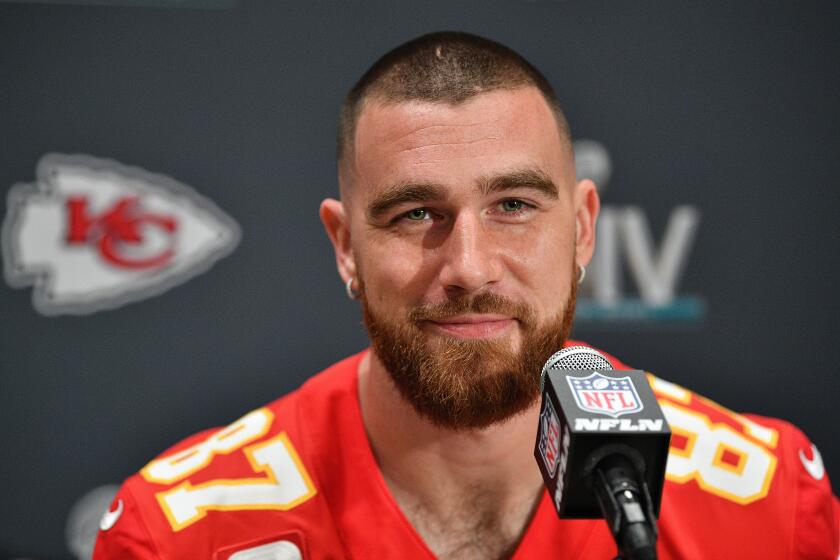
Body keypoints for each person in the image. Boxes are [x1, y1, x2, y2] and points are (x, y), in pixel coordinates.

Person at [93, 31, 838, 559]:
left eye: (513, 205)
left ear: (582, 230)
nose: (470, 268)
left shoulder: (768, 510)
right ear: (345, 245)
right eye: (416, 214)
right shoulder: (179, 535)